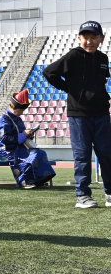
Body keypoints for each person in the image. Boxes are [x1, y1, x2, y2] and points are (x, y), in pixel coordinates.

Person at [43, 20, 111, 208]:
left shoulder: (103, 58)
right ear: (79, 38)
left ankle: (110, 194)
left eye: (93, 37)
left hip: (102, 114)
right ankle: (83, 196)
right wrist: (69, 89)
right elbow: (49, 72)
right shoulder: (73, 55)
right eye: (85, 37)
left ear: (101, 39)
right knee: (82, 156)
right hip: (79, 115)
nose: (89, 41)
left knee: (106, 154)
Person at [0, 90, 56, 188]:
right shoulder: (3, 119)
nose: (22, 112)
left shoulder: (18, 119)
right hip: (7, 150)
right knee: (34, 155)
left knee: (41, 153)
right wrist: (23, 135)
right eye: (22, 110)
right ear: (15, 107)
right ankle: (24, 181)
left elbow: (22, 134)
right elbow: (5, 139)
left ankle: (38, 180)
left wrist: (28, 135)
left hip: (19, 148)